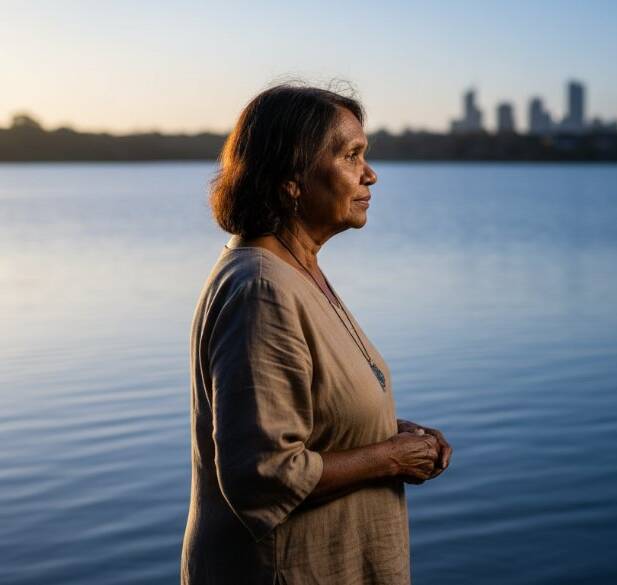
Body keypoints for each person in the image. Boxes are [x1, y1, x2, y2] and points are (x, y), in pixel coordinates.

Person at [180, 83, 452, 585]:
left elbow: (316, 411)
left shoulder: (296, 270)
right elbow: (263, 475)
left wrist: (394, 432)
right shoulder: (261, 288)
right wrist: (390, 457)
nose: (370, 174)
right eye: (351, 156)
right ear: (291, 179)